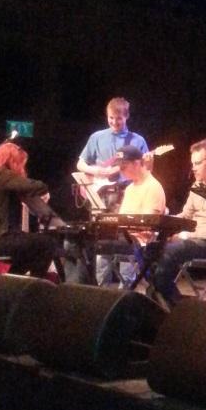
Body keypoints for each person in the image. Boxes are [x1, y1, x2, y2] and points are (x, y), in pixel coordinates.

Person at [151, 140, 206, 307]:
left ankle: (172, 303)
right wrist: (163, 221)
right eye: (193, 163)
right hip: (193, 239)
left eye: (198, 163)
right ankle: (167, 299)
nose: (193, 168)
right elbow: (186, 215)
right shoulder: (198, 186)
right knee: (151, 247)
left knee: (170, 250)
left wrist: (185, 235)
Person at [75, 97, 149, 286]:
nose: (114, 122)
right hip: (102, 196)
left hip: (127, 195)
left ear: (127, 116)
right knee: (103, 245)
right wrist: (98, 171)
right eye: (111, 118)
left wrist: (147, 162)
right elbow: (80, 164)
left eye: (119, 119)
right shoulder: (97, 137)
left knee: (127, 241)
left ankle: (126, 290)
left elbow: (146, 169)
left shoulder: (137, 140)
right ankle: (102, 289)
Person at [0, 141, 60, 277]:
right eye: (21, 163)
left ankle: (10, 282)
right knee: (47, 243)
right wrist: (43, 192)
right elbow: (38, 186)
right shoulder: (2, 174)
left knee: (27, 246)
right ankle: (31, 287)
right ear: (13, 161)